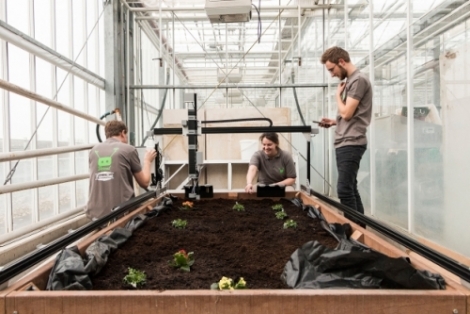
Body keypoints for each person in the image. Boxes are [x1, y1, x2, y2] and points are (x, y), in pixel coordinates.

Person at [318, 46, 372, 221]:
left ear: (341, 61)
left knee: (343, 189)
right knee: (350, 188)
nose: (332, 74)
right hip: (346, 141)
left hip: (351, 142)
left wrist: (337, 96)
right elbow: (351, 115)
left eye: (332, 69)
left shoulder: (358, 80)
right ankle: (360, 232)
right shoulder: (352, 81)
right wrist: (335, 122)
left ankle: (354, 232)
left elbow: (347, 113)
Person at [86, 120, 156, 220]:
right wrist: (147, 160)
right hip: (120, 213)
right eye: (126, 135)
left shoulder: (93, 151)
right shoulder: (128, 149)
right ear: (123, 133)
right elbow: (144, 182)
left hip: (94, 214)